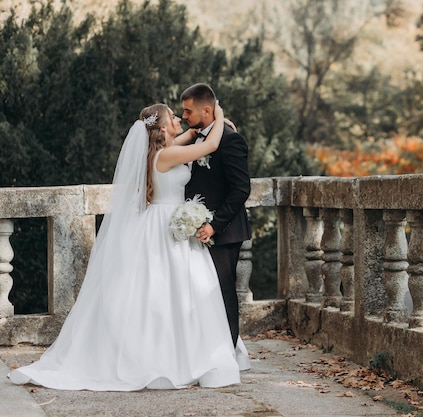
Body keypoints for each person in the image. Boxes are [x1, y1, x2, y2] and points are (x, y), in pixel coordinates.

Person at [9, 103, 247, 391]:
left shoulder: (159, 151)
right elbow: (208, 144)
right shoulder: (167, 155)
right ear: (162, 128)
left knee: (160, 291)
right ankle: (170, 357)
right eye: (173, 116)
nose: (177, 119)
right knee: (169, 291)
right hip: (165, 227)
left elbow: (193, 136)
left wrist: (202, 125)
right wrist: (219, 114)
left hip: (159, 223)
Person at [180, 84, 252, 360]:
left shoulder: (231, 140)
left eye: (188, 110)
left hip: (223, 232)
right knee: (201, 295)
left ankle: (227, 355)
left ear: (207, 110)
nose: (184, 115)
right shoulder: (196, 138)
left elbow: (240, 189)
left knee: (223, 295)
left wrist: (214, 224)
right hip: (196, 229)